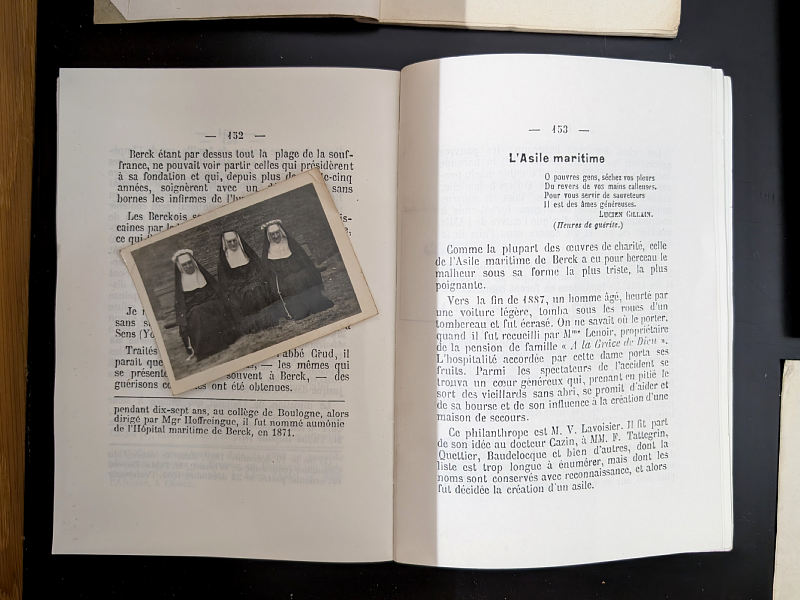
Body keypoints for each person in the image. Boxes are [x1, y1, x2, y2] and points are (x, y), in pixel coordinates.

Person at [260, 219, 334, 320]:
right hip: (284, 278)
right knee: (289, 284)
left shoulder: (290, 244)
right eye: (272, 234)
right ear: (269, 236)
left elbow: (303, 260)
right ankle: (300, 310)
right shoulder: (268, 251)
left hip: (299, 273)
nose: (276, 236)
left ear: (281, 232)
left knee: (303, 277)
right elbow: (269, 270)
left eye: (277, 233)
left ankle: (314, 305)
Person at [172, 249, 239, 361]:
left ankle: (225, 339)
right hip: (194, 311)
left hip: (209, 304)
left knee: (215, 306)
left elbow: (214, 292)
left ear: (193, 262)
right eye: (185, 265)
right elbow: (182, 306)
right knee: (198, 312)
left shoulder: (202, 276)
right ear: (181, 268)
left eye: (189, 263)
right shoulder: (181, 284)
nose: (188, 266)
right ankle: (207, 349)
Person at [217, 231, 280, 333]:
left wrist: (253, 281)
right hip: (238, 290)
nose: (233, 244)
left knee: (257, 290)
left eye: (234, 240)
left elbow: (258, 271)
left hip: (254, 283)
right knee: (248, 294)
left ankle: (268, 322)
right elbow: (226, 283)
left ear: (238, 240)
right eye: (229, 242)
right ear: (225, 244)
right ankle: (254, 327)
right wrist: (242, 286)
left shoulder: (247, 255)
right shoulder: (223, 262)